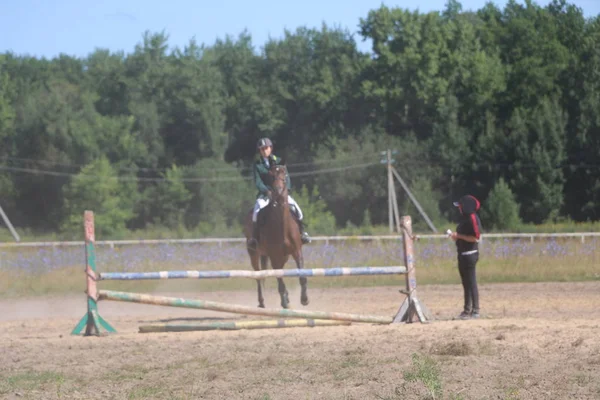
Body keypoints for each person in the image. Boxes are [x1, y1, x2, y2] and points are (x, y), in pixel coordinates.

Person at [247, 137, 311, 250]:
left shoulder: (279, 161)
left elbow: (287, 178)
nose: (264, 151)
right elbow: (258, 181)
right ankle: (255, 239)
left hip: (281, 194)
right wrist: (267, 191)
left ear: (270, 148)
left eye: (266, 148)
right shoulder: (257, 165)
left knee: (298, 210)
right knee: (256, 213)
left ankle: (302, 234)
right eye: (261, 149)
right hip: (266, 194)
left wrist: (286, 190)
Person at [448, 194, 483, 320]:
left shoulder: (473, 218)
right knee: (465, 283)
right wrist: (456, 237)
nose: (459, 208)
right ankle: (467, 310)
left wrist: (459, 236)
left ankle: (475, 310)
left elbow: (475, 238)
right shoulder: (465, 218)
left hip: (470, 254)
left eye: (460, 206)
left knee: (471, 282)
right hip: (462, 253)